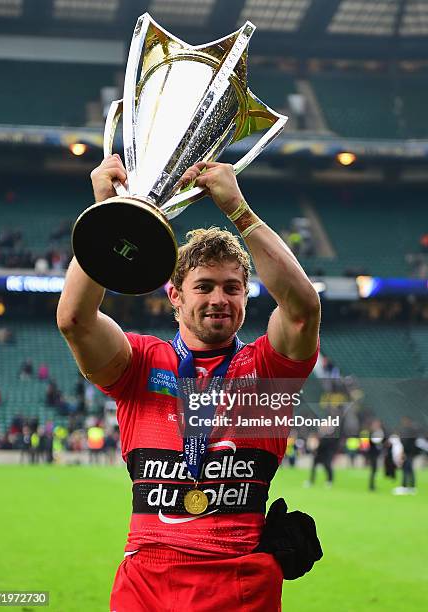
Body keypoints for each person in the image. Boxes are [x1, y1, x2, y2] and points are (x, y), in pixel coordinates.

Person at [57, 155, 321, 612]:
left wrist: (239, 210)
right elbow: (76, 320)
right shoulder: (140, 363)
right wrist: (105, 217)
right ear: (175, 296)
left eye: (232, 287)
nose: (219, 299)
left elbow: (302, 309)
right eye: (204, 287)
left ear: (245, 295)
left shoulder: (265, 370)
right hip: (147, 584)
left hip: (239, 581)